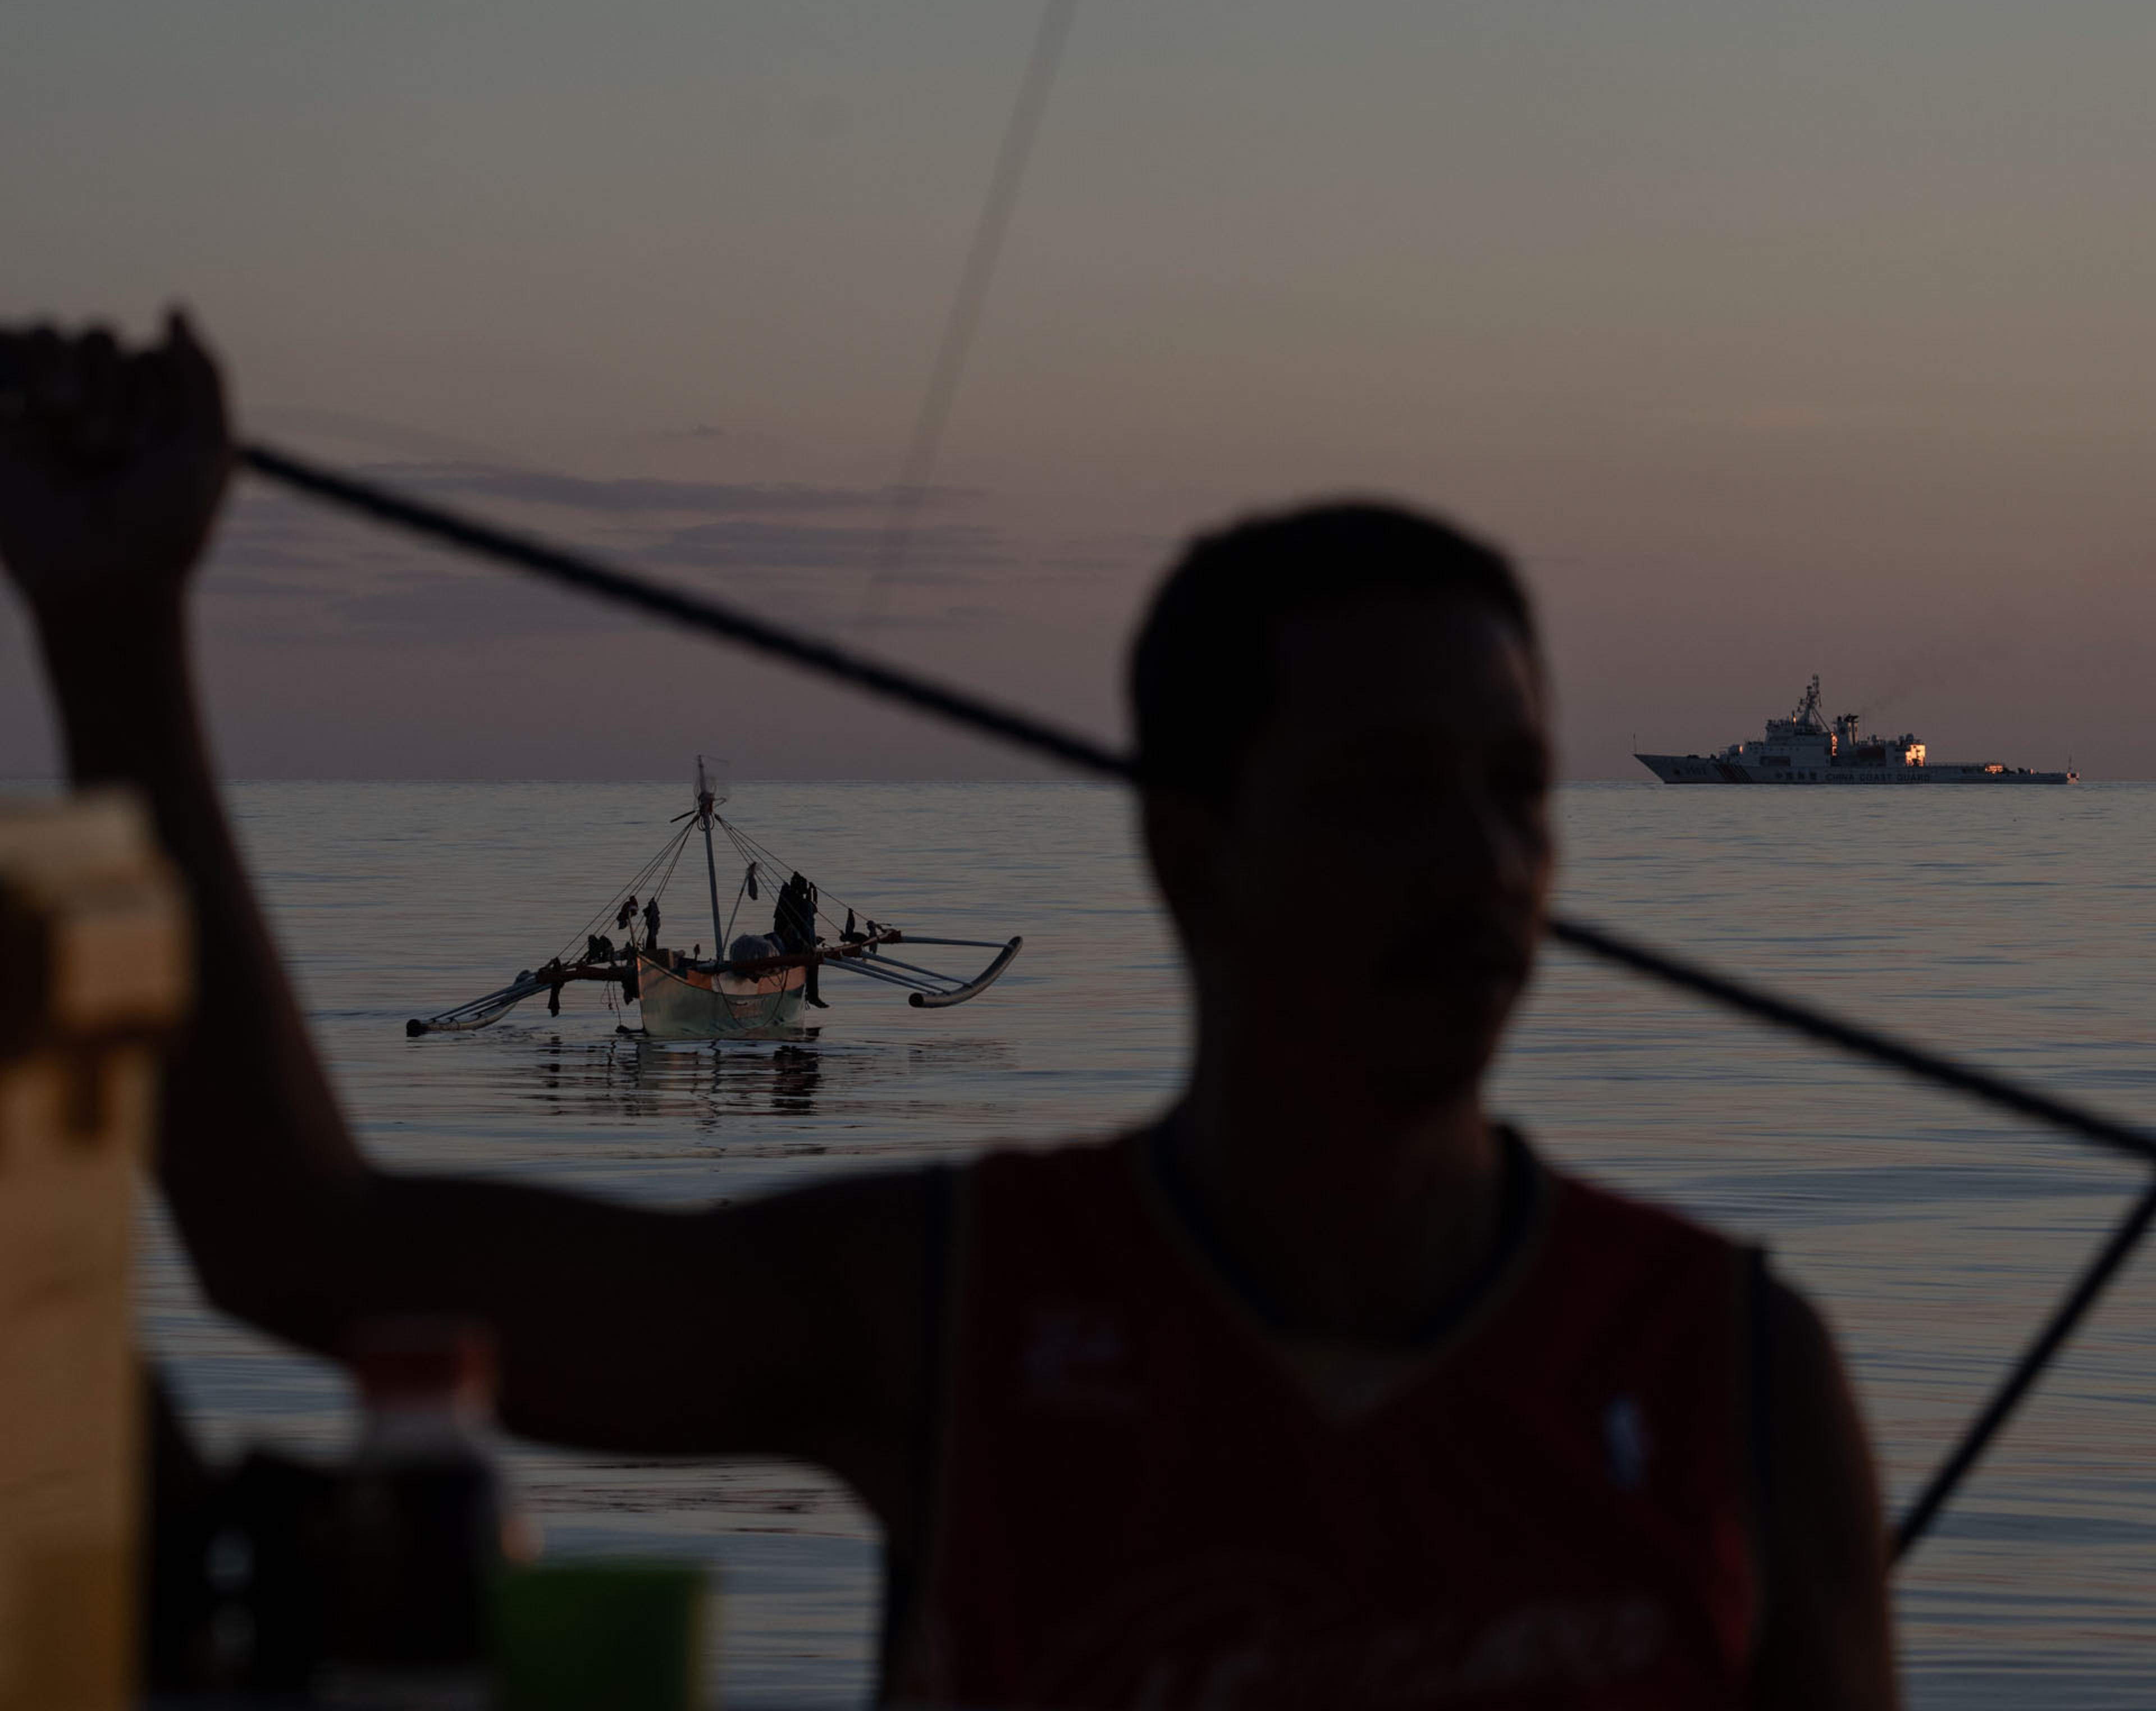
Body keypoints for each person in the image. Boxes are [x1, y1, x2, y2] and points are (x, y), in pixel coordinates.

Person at [0, 318, 1897, 1709]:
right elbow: (308, 1247)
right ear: (1193, 853)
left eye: (1517, 791)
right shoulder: (958, 1307)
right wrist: (111, 631)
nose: (1478, 859)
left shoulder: (1737, 1374)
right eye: (1383, 791)